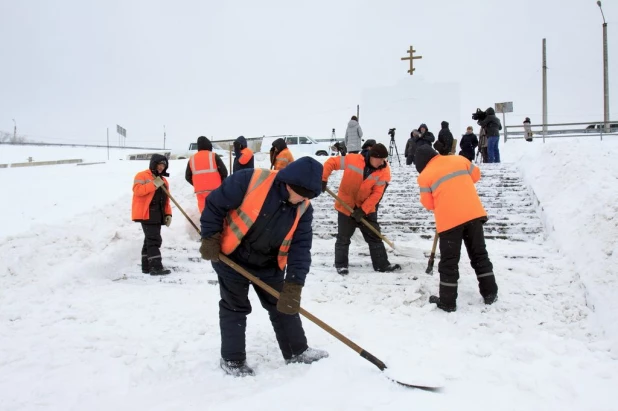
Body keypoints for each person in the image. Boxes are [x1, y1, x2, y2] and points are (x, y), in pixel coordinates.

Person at [199, 157, 329, 377]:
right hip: (233, 256)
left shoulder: (303, 208)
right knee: (234, 308)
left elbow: (301, 247)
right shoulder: (249, 180)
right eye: (302, 195)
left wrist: (294, 284)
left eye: (309, 196)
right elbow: (214, 204)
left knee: (284, 306)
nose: (304, 200)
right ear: (289, 185)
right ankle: (233, 360)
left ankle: (297, 351)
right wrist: (210, 237)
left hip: (269, 263)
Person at [415, 145, 498, 312]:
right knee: (479, 255)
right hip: (473, 215)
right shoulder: (459, 159)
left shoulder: (424, 176)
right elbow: (476, 175)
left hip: (449, 222)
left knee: (449, 262)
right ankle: (490, 293)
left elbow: (428, 204)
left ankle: (447, 301)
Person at [322, 143, 401, 275]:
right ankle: (341, 265)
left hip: (366, 208)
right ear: (372, 156)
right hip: (346, 204)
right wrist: (323, 179)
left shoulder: (384, 171)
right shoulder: (353, 159)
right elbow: (331, 162)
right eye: (380, 159)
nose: (383, 162)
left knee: (374, 236)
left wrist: (363, 210)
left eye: (384, 159)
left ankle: (382, 265)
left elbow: (377, 194)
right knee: (343, 237)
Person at [132, 154, 173, 276]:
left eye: (163, 166)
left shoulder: (164, 181)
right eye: (159, 165)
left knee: (149, 240)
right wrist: (154, 184)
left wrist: (168, 214)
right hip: (146, 213)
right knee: (154, 240)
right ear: (153, 164)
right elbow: (138, 191)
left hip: (157, 214)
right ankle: (156, 267)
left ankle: (146, 266)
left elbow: (167, 200)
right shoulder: (142, 175)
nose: (161, 167)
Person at [186, 136, 228, 213]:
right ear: (209, 145)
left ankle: (207, 224)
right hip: (215, 190)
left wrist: (197, 184)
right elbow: (224, 172)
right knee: (217, 212)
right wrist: (221, 184)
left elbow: (187, 177)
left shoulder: (192, 159)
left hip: (200, 192)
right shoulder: (213, 156)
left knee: (204, 212)